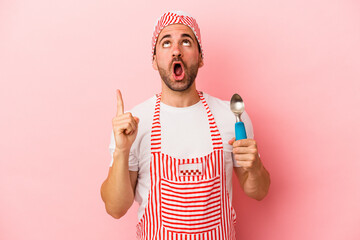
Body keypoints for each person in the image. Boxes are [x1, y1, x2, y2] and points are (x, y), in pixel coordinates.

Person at [101, 10, 271, 239]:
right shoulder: (133, 124)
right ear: (154, 60)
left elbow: (258, 191)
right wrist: (122, 151)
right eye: (166, 42)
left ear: (200, 58)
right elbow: (115, 208)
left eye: (186, 41)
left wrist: (255, 167)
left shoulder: (231, 117)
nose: (176, 50)